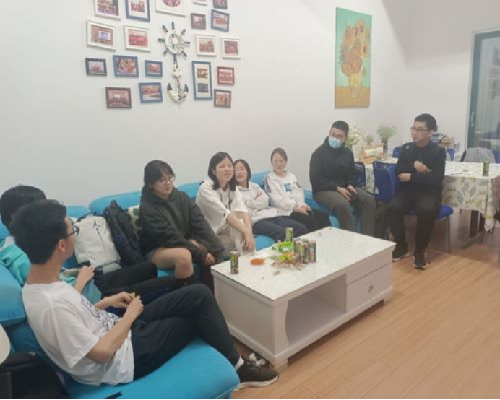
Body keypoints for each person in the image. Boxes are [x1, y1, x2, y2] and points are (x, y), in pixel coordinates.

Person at [11, 200, 278, 388]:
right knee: (194, 319)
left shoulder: (40, 285)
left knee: (197, 293)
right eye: (74, 231)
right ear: (61, 245)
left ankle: (236, 362)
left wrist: (106, 302)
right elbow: (101, 353)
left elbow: (77, 315)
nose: (75, 236)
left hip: (119, 328)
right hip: (125, 358)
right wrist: (130, 316)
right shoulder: (50, 305)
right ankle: (239, 368)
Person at [0, 185, 175, 304]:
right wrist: (82, 279)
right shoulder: (20, 258)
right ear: (17, 216)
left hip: (89, 283)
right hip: (91, 298)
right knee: (167, 283)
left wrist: (77, 273)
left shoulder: (30, 243)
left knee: (149, 268)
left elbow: (56, 277)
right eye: (40, 209)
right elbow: (60, 300)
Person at [139, 160, 225, 291]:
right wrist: (198, 251)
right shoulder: (147, 207)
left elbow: (200, 223)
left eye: (170, 178)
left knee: (212, 246)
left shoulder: (182, 197)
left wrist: (216, 246)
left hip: (182, 241)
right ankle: (186, 297)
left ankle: (213, 293)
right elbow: (168, 237)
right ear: (151, 184)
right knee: (183, 256)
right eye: (162, 180)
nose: (168, 183)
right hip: (157, 248)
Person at [387, 113, 446, 269]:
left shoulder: (438, 152)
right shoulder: (407, 148)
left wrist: (412, 176)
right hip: (408, 192)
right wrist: (415, 166)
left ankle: (419, 251)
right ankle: (401, 246)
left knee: (426, 210)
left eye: (419, 130)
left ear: (430, 132)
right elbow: (399, 171)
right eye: (413, 128)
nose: (414, 133)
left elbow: (436, 178)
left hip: (428, 192)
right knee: (393, 207)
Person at [310, 121, 376, 236]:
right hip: (324, 190)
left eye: (339, 136)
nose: (335, 138)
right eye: (333, 134)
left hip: (345, 187)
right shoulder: (318, 154)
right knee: (342, 204)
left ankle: (366, 238)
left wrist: (350, 184)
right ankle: (349, 240)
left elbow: (351, 174)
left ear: (345, 138)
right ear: (329, 133)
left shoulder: (347, 153)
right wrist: (337, 188)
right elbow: (316, 181)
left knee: (369, 200)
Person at [196, 152, 256, 256]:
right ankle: (244, 260)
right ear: (213, 171)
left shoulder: (232, 186)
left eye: (229, 165)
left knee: (242, 229)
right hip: (208, 231)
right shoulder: (205, 188)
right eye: (222, 166)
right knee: (240, 232)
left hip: (223, 228)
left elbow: (242, 210)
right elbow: (225, 214)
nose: (227, 169)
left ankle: (250, 260)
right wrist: (246, 231)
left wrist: (249, 232)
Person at [234, 159, 308, 241]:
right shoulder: (234, 192)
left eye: (242, 169)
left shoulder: (254, 186)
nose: (239, 172)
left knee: (301, 228)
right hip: (257, 221)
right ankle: (285, 248)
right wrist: (256, 200)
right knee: (283, 233)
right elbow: (246, 211)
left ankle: (299, 248)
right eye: (236, 170)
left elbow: (265, 201)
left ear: (247, 171)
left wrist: (250, 202)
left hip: (272, 215)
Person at [265, 148, 331, 233]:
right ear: (271, 162)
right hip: (284, 211)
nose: (278, 164)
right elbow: (276, 200)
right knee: (308, 219)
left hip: (298, 207)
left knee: (322, 216)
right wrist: (294, 207)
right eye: (275, 161)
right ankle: (314, 240)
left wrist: (301, 205)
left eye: (281, 161)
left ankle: (329, 238)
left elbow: (299, 193)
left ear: (286, 162)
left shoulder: (291, 176)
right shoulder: (270, 178)